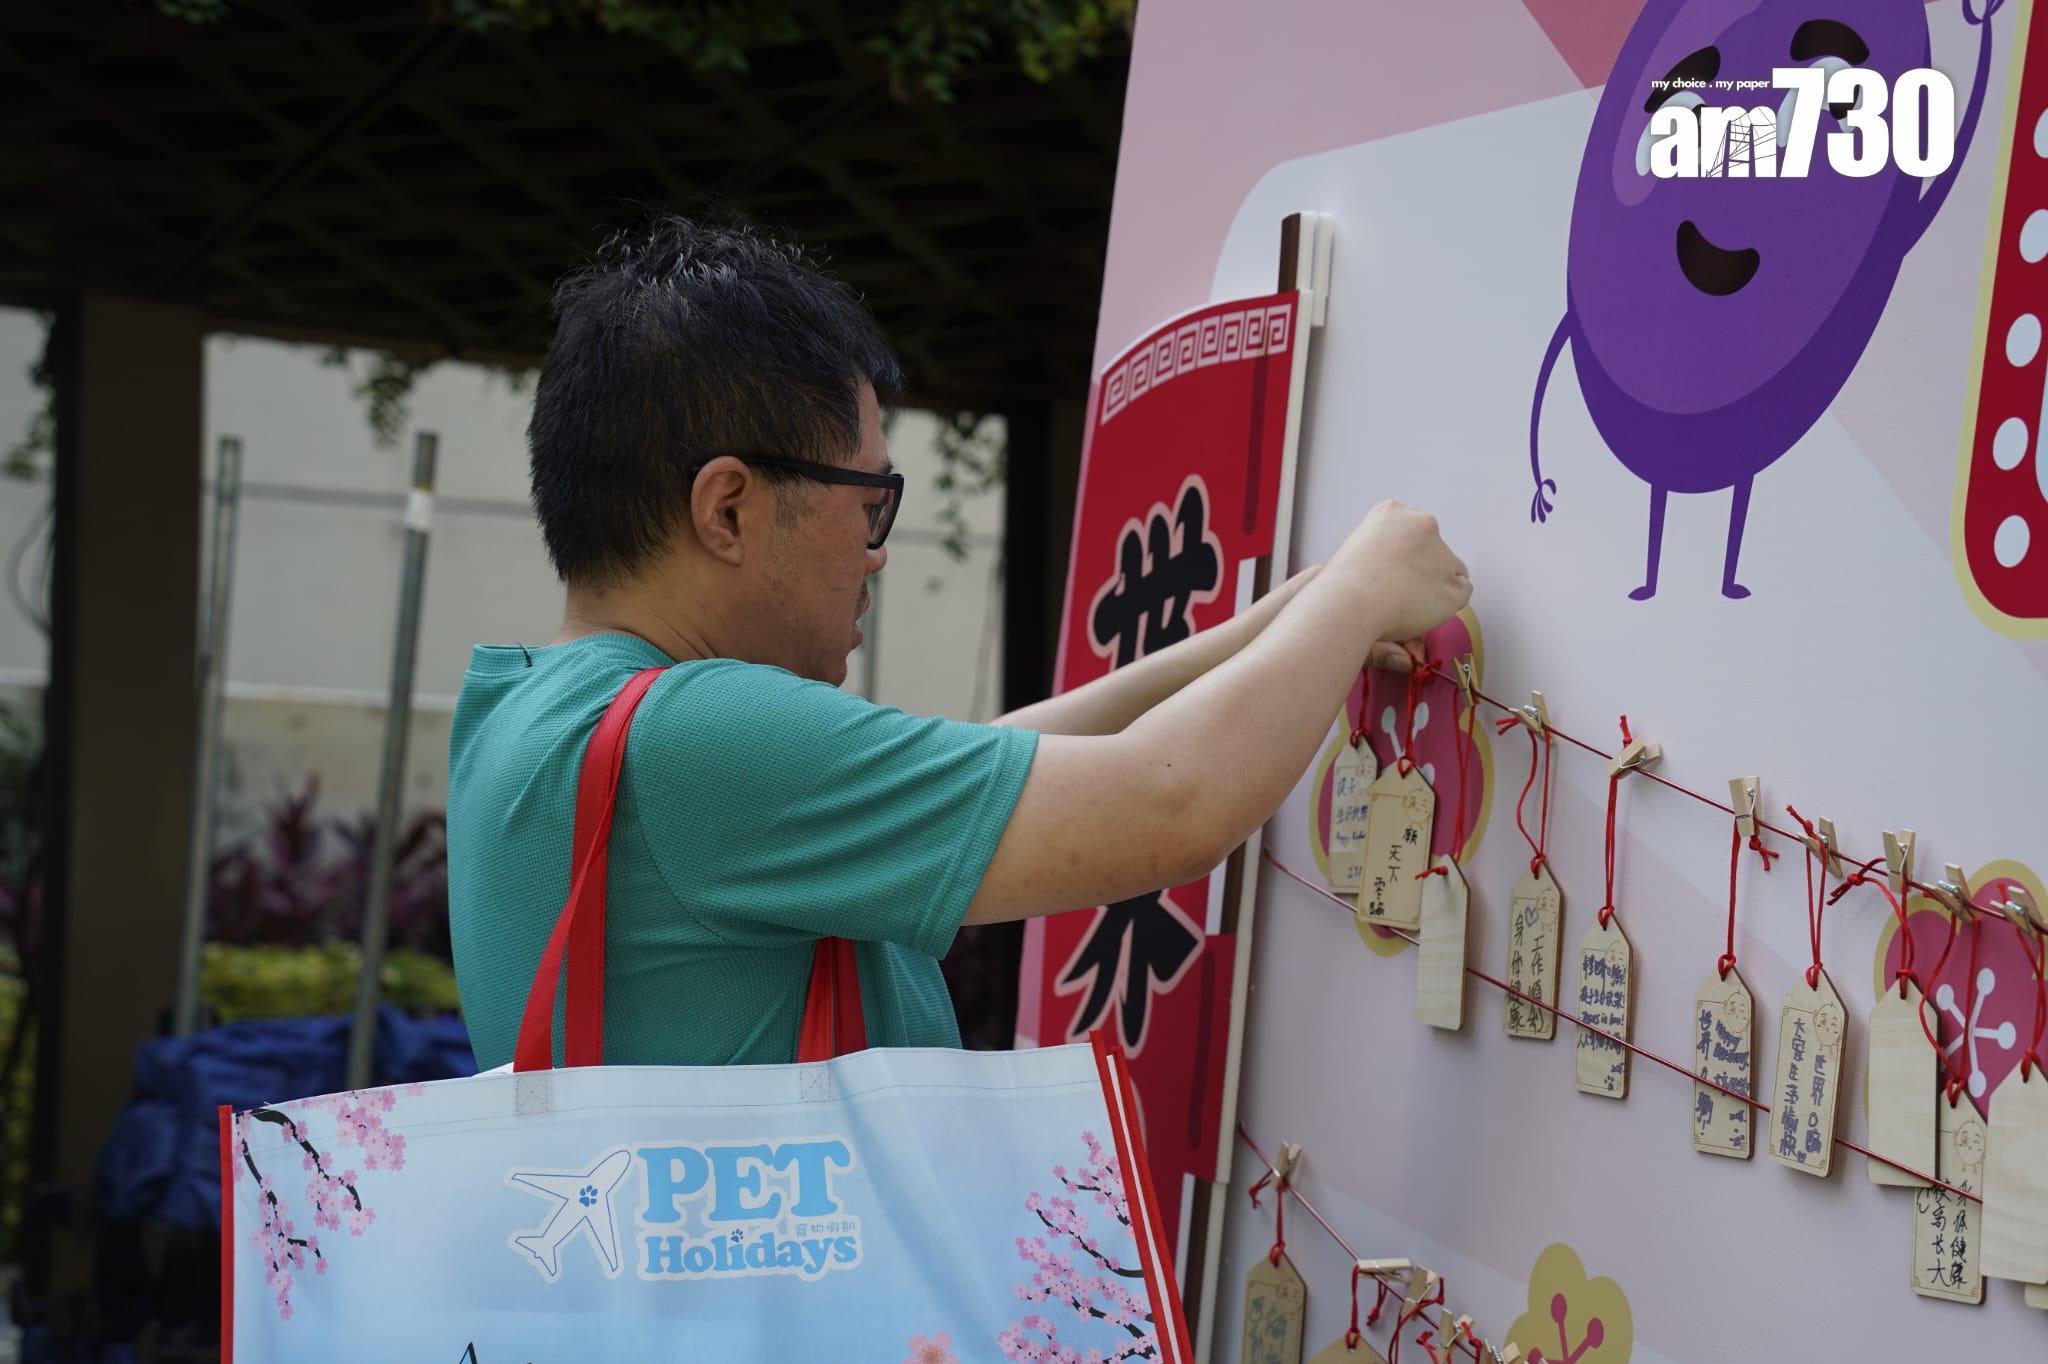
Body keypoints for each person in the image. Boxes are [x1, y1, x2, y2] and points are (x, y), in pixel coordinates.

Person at [446, 214, 1472, 1069]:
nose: (875, 554)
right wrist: (1364, 589)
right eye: (868, 501)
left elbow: (971, 773)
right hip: (800, 1316)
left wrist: (1253, 635)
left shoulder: (529, 711)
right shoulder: (695, 735)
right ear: (727, 509)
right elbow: (1171, 803)